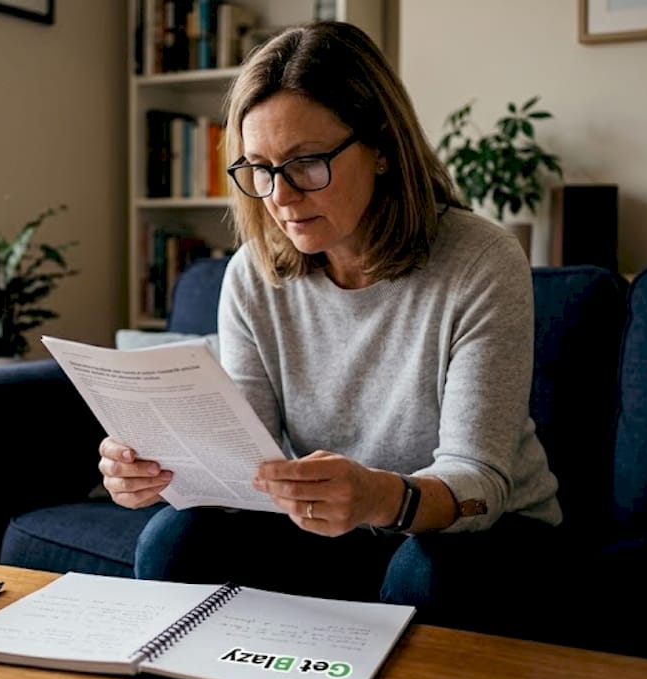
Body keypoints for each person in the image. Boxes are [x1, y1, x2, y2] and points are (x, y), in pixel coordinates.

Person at [97, 21, 562, 624]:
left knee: (425, 570)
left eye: (307, 163)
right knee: (174, 540)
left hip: (480, 531)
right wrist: (166, 472)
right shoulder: (253, 274)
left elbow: (480, 481)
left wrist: (379, 496)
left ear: (384, 149)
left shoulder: (481, 260)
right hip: (331, 531)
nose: (281, 197)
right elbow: (246, 466)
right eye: (259, 169)